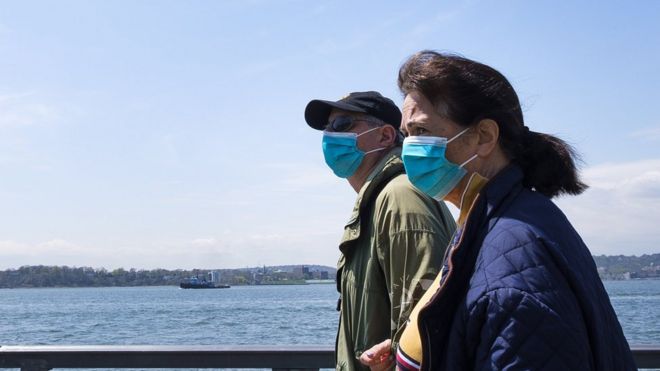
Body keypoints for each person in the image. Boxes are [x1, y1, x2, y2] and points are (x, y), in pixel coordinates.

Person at [362, 51, 636, 371]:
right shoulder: (494, 222)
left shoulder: (514, 254)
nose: (409, 148)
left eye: (422, 132)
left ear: (484, 137)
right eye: (407, 135)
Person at [304, 91, 456, 371]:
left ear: (386, 136)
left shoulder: (400, 197)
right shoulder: (379, 199)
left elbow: (427, 321)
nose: (329, 136)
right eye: (327, 129)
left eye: (342, 125)